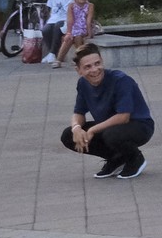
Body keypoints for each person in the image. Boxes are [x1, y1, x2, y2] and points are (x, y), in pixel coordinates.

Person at [61, 44, 153, 179]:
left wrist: (92, 130)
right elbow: (79, 112)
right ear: (78, 70)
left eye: (97, 63)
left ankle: (135, 158)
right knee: (68, 135)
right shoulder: (83, 83)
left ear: (102, 62)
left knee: (111, 135)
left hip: (139, 126)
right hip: (108, 127)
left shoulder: (121, 80)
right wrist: (76, 128)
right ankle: (117, 158)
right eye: (87, 67)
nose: (94, 70)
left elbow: (123, 117)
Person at [54, 0, 95, 70]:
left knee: (78, 37)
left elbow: (89, 20)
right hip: (74, 28)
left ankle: (79, 60)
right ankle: (59, 60)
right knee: (68, 39)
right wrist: (68, 33)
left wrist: (89, 33)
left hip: (84, 27)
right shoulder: (71, 5)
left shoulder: (90, 5)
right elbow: (70, 20)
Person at [40, 0, 73, 64]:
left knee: (58, 26)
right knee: (45, 30)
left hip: (67, 18)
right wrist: (47, 19)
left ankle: (52, 54)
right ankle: (52, 53)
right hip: (54, 18)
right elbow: (49, 8)